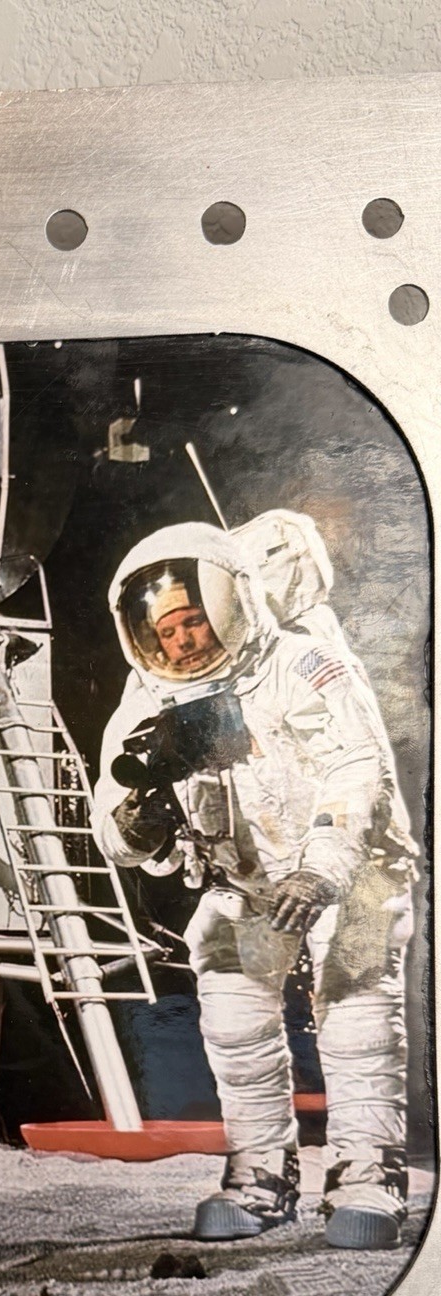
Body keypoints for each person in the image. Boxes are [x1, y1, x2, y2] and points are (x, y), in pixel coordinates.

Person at [91, 521, 417, 1250]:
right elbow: (112, 828)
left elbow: (356, 767)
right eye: (166, 630)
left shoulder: (303, 662)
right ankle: (261, 1174)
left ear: (228, 603)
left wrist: (321, 866)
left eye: (192, 619)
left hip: (353, 869)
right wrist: (139, 821)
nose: (182, 640)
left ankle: (367, 1176)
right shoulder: (146, 699)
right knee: (234, 1016)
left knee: (357, 1011)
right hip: (247, 881)